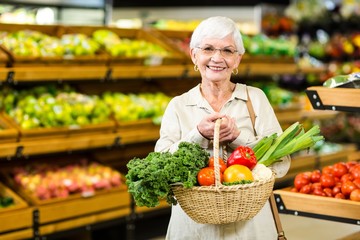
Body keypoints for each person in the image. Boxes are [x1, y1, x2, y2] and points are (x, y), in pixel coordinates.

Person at [154, 16, 290, 240]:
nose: (217, 58)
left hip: (250, 228)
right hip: (193, 228)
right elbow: (161, 165)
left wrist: (238, 138)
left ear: (237, 60)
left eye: (227, 51)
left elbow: (282, 164)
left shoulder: (255, 99)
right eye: (208, 48)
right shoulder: (178, 105)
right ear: (194, 55)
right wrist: (196, 135)